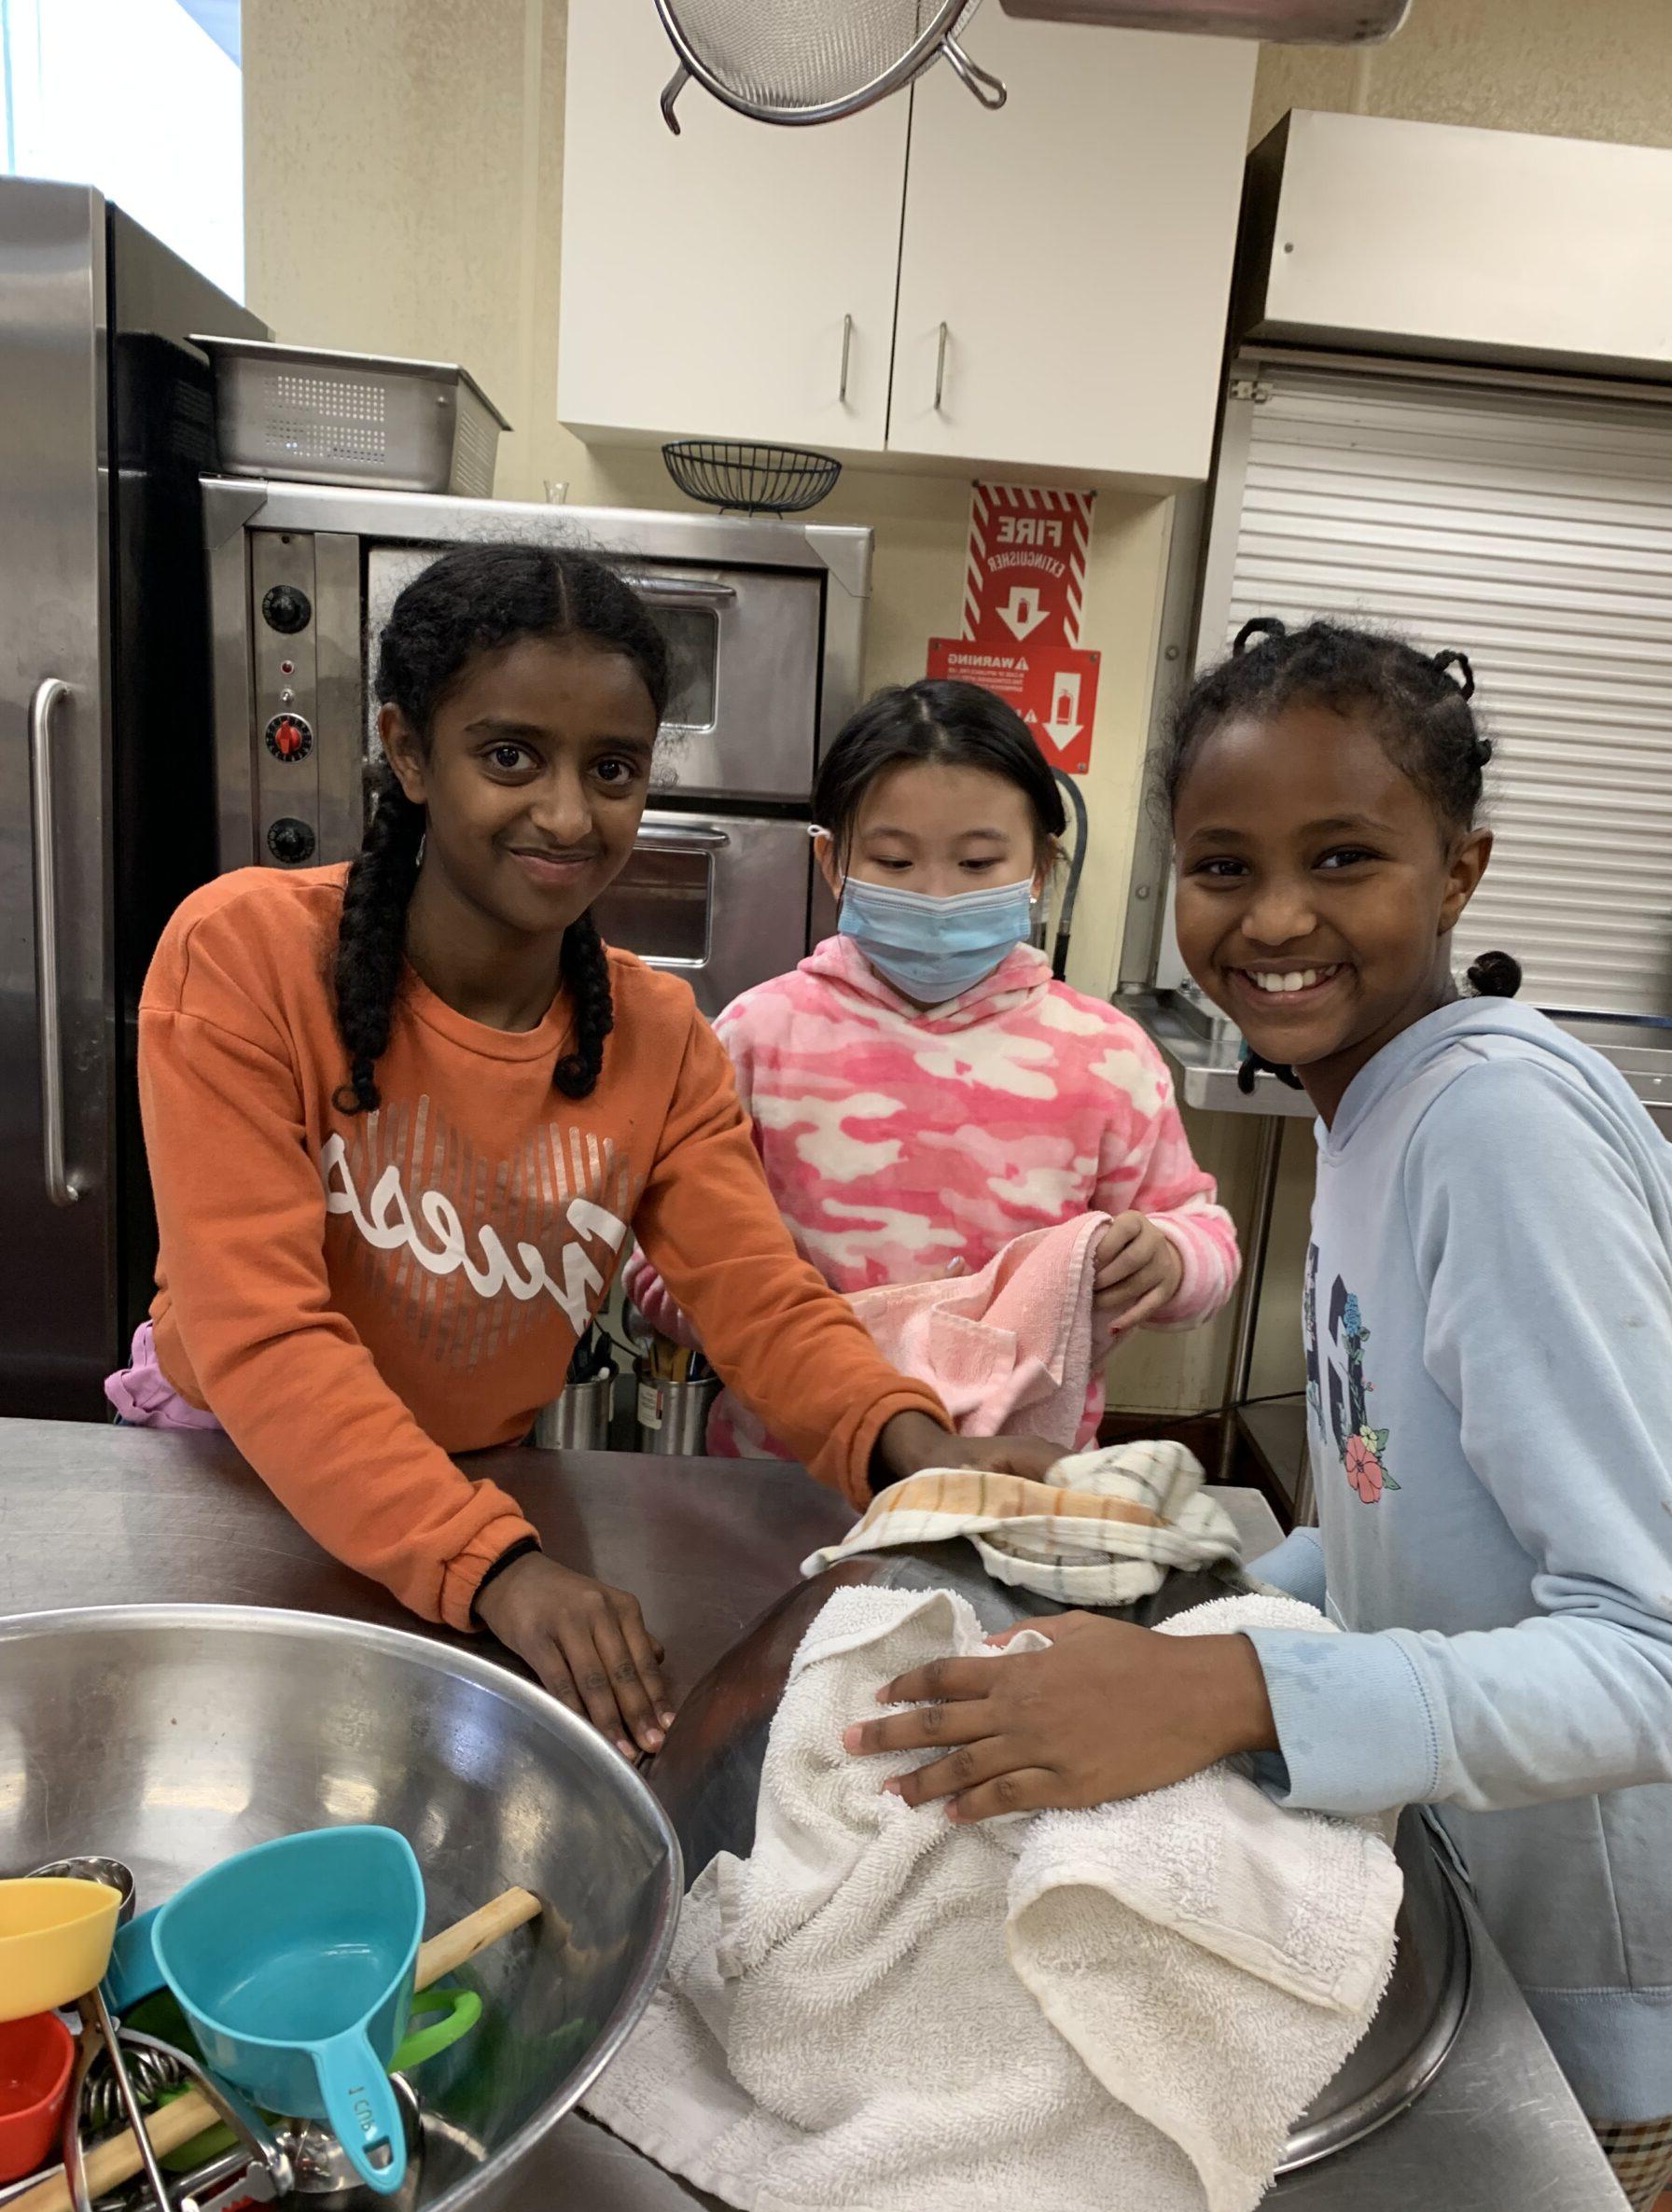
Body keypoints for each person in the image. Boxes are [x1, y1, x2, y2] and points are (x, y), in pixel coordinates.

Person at [842, 617, 1672, 2212]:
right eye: (1223, 866)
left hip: (1612, 1950)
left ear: (1459, 870)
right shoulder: (1372, 1104)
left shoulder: (1492, 1136)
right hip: (1494, 1865)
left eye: (1343, 858)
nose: (1275, 919)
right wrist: (1186, 1604)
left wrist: (1226, 1697)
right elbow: (1402, 1511)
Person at [108, 547, 1058, 1754]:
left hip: (479, 1494)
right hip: (235, 1483)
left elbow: (759, 1300)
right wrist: (496, 1566)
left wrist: (911, 1446)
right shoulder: (241, 957)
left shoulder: (657, 1038)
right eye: (510, 756)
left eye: (611, 769)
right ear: (408, 751)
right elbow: (260, 1334)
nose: (568, 813)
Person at [625, 679, 1239, 1453]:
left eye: (979, 863)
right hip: (785, 1475)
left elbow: (1203, 1237)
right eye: (894, 860)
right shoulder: (757, 1037)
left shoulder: (1109, 1058)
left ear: (1040, 870)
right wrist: (777, 1321)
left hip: (1012, 1482)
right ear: (832, 861)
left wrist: (1170, 1259)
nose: (938, 895)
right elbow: (654, 1269)